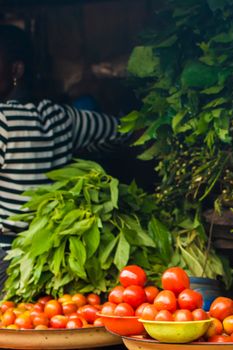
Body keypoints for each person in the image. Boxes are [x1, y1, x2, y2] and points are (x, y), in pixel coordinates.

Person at [0, 25, 128, 289]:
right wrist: (85, 152)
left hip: (4, 259)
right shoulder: (61, 116)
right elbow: (123, 132)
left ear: (16, 70)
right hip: (49, 260)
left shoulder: (2, 121)